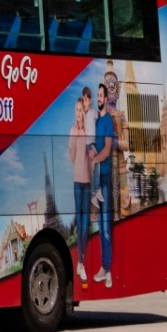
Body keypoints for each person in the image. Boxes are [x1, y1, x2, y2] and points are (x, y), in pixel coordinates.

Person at [88, 84, 118, 286]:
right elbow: (94, 145)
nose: (99, 98)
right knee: (100, 228)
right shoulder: (96, 122)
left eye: (101, 95)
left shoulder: (107, 121)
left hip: (105, 179)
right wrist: (90, 149)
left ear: (106, 99)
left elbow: (107, 149)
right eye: (97, 95)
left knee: (106, 228)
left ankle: (107, 269)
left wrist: (95, 158)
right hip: (96, 179)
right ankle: (103, 268)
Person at [69, 87, 92, 280]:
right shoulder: (73, 131)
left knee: (85, 225)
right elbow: (71, 157)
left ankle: (81, 262)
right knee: (81, 224)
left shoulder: (88, 131)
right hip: (77, 183)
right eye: (76, 111)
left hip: (88, 182)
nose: (78, 113)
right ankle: (81, 262)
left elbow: (91, 156)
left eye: (80, 110)